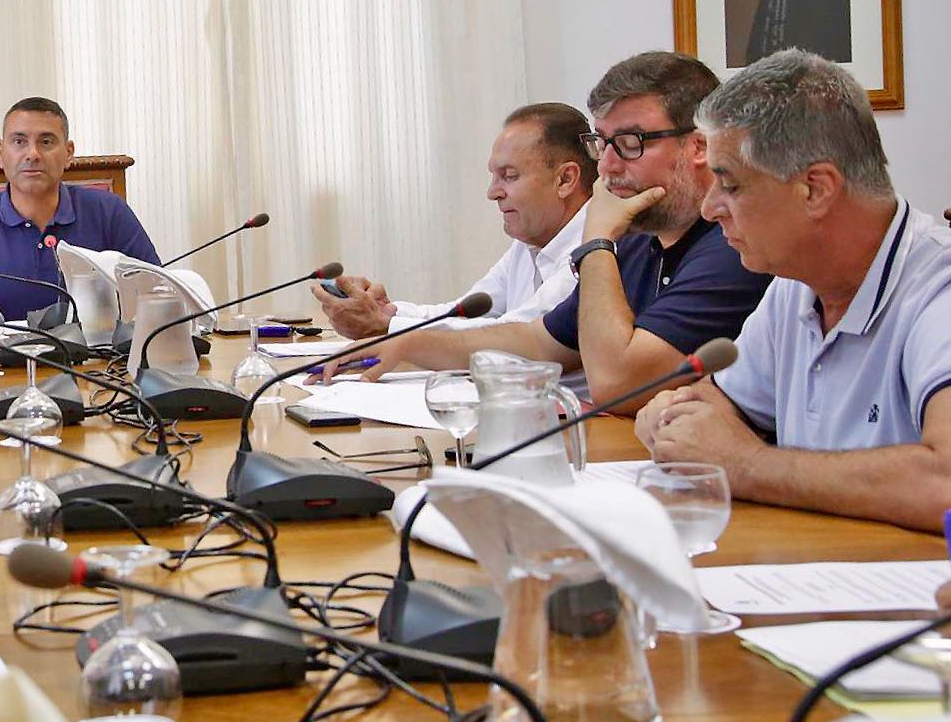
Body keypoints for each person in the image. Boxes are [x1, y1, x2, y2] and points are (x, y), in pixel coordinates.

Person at [321, 52, 771, 411]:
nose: (608, 165)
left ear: (697, 145)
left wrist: (596, 242)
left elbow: (617, 383)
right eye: (602, 142)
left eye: (630, 144)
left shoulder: (733, 246)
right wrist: (407, 342)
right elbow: (538, 339)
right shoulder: (641, 239)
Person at [635, 50, 951, 532]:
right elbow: (712, 408)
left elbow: (944, 483)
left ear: (816, 189)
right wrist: (674, 423)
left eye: (730, 184)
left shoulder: (938, 286)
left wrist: (748, 466)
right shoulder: (793, 286)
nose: (709, 208)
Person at [313, 103, 596, 338]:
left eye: (509, 176)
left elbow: (518, 337)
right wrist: (388, 312)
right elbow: (462, 314)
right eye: (494, 177)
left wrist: (384, 326)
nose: (493, 193)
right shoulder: (531, 241)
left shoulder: (593, 248)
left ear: (565, 179)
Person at [0, 97, 160, 319]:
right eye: (19, 142)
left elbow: (157, 290)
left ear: (69, 153)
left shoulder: (109, 211)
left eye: (46, 142)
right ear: (0, 153)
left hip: (91, 364)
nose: (32, 154)